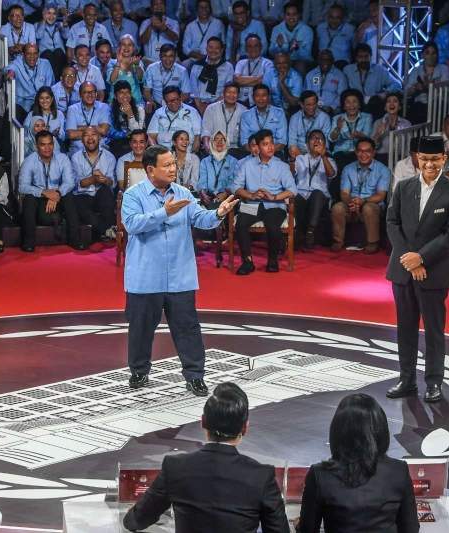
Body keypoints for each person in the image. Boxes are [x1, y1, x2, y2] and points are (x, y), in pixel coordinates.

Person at [121, 144, 238, 394]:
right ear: (151, 170)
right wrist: (164, 212)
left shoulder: (183, 192)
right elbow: (132, 225)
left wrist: (218, 213)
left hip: (180, 276)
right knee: (140, 329)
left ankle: (194, 375)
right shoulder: (133, 195)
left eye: (174, 164)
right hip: (145, 277)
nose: (173, 168)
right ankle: (139, 372)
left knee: (188, 328)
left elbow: (200, 219)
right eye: (167, 165)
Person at [123, 382, 289, 532]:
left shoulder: (175, 467)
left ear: (203, 422)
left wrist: (133, 513)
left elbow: (135, 521)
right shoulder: (261, 476)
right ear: (244, 428)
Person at [385, 135, 449, 403]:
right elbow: (392, 222)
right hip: (403, 271)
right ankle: (406, 379)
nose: (429, 164)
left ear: (444, 159)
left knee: (434, 330)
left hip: (434, 270)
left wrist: (420, 258)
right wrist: (409, 259)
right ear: (417, 159)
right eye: (424, 159)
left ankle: (434, 383)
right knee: (404, 328)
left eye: (434, 159)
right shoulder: (404, 187)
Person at [297, 393, 419, 533]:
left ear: (338, 431)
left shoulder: (319, 475)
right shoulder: (399, 470)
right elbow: (411, 528)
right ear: (380, 429)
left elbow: (308, 529)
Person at [233, 129, 296, 274]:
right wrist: (251, 194)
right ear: (258, 147)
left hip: (275, 205)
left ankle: (272, 260)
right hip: (252, 205)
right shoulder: (247, 165)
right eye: (265, 144)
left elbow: (292, 189)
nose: (270, 147)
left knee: (272, 225)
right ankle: (247, 262)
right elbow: (235, 187)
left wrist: (274, 197)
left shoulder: (281, 166)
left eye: (272, 143)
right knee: (241, 223)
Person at [17, 129, 80, 251]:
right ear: (37, 146)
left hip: (58, 199)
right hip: (40, 201)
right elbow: (22, 187)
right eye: (43, 144)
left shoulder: (63, 158)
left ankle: (75, 239)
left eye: (50, 144)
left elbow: (70, 182)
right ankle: (29, 242)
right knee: (29, 199)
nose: (47, 148)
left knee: (69, 196)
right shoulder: (29, 161)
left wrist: (57, 193)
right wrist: (44, 193)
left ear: (54, 144)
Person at [331, 137, 390, 254]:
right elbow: (344, 193)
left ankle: (372, 243)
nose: (363, 154)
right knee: (337, 207)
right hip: (352, 203)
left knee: (369, 208)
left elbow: (381, 195)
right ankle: (338, 241)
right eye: (360, 151)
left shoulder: (383, 170)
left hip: (372, 204)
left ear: (373, 153)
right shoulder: (348, 169)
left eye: (367, 151)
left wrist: (363, 201)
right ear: (356, 152)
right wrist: (351, 202)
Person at [70, 127, 117, 244]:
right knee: (77, 202)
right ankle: (106, 230)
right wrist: (93, 179)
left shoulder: (109, 156)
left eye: (93, 135)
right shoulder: (75, 157)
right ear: (82, 139)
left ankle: (100, 231)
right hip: (83, 195)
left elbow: (113, 183)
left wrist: (105, 179)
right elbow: (77, 184)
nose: (90, 138)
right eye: (86, 135)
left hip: (101, 193)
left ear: (99, 137)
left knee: (107, 192)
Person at [294, 130, 336, 250]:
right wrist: (292, 160)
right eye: (313, 138)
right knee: (295, 196)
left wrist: (323, 156)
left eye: (320, 138)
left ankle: (310, 232)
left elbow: (331, 174)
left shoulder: (329, 160)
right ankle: (296, 233)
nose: (317, 141)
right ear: (307, 144)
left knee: (317, 193)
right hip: (301, 194)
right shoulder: (300, 159)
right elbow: (291, 174)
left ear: (325, 143)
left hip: (320, 197)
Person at [5, 43, 55, 122]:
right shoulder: (18, 62)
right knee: (12, 113)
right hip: (21, 103)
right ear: (23, 54)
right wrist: (11, 72)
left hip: (39, 102)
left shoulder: (45, 64)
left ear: (38, 54)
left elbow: (50, 86)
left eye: (35, 53)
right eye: (29, 54)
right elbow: (8, 69)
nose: (32, 57)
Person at [404, 42, 449, 123]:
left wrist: (429, 87)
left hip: (437, 105)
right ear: (422, 55)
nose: (431, 56)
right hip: (419, 105)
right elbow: (406, 92)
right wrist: (415, 88)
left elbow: (446, 91)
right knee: (416, 108)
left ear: (437, 55)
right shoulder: (416, 70)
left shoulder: (444, 69)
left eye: (433, 53)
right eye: (427, 53)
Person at [328, 89, 373, 170]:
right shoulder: (337, 118)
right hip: (340, 152)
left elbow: (369, 139)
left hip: (359, 152)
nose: (351, 105)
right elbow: (331, 139)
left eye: (354, 101)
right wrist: (338, 128)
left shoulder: (367, 117)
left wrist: (360, 136)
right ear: (344, 106)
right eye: (348, 102)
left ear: (359, 104)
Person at [189, 37, 234, 116]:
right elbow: (193, 90)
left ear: (221, 50)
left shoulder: (228, 67)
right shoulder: (197, 65)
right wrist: (200, 107)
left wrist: (212, 107)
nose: (213, 51)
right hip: (198, 105)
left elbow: (227, 91)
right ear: (206, 49)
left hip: (219, 105)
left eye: (217, 48)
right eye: (211, 47)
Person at [147, 86, 201, 152]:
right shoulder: (158, 113)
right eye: (168, 101)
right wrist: (157, 153)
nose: (173, 103)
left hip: (186, 152)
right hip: (164, 154)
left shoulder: (192, 112)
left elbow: (197, 137)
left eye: (175, 99)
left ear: (180, 97)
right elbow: (151, 137)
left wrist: (192, 154)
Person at [239, 84, 287, 155]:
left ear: (269, 97)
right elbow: (244, 142)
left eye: (264, 95)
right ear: (253, 97)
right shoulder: (246, 115)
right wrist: (256, 152)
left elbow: (282, 142)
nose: (261, 99)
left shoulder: (279, 113)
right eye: (257, 96)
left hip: (274, 153)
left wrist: (266, 152)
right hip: (252, 153)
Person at [66, 81, 112, 153]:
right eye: (86, 92)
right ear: (80, 95)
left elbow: (103, 131)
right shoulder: (72, 109)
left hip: (100, 149)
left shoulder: (104, 107)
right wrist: (96, 131)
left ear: (96, 94)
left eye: (92, 92)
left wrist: (81, 128)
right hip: (78, 150)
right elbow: (71, 134)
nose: (90, 95)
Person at [143, 43, 191, 111]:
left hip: (176, 105)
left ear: (175, 57)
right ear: (160, 56)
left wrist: (174, 104)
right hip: (157, 105)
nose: (167, 59)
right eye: (164, 56)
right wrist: (150, 101)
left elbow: (186, 93)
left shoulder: (182, 71)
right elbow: (147, 91)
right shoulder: (151, 68)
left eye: (171, 56)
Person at [201, 83, 246, 155]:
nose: (231, 95)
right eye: (229, 92)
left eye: (234, 93)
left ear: (238, 95)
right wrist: (207, 146)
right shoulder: (211, 109)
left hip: (235, 149)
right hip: (214, 147)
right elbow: (206, 131)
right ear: (223, 93)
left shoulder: (244, 111)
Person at [288, 90, 332, 160]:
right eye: (308, 105)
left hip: (318, 152)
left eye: (314, 104)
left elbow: (325, 142)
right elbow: (292, 141)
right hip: (299, 153)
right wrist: (303, 159)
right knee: (292, 149)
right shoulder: (294, 118)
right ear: (301, 104)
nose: (312, 107)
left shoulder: (324, 117)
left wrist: (315, 155)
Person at [304, 50, 348, 118]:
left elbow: (342, 95)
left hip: (333, 109)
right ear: (318, 60)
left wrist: (331, 107)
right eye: (322, 59)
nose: (325, 62)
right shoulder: (310, 75)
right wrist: (314, 106)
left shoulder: (340, 75)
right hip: (313, 108)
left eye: (328, 60)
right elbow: (307, 94)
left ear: (333, 61)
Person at [197, 130, 236, 206]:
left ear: (227, 143)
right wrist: (203, 193)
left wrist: (225, 194)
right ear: (211, 142)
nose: (219, 142)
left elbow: (233, 182)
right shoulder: (205, 161)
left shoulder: (233, 161)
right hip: (208, 196)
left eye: (222, 139)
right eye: (216, 139)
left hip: (227, 197)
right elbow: (202, 182)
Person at [181, 0, 224, 68]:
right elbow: (185, 48)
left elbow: (223, 44)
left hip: (214, 58)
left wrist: (212, 56)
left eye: (206, 7)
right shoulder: (190, 26)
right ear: (197, 9)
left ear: (210, 8)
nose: (204, 9)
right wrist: (199, 56)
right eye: (201, 7)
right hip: (194, 58)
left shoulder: (218, 24)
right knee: (184, 64)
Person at [269, 2, 313, 68]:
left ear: (299, 15)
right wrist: (279, 46)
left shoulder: (307, 30)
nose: (291, 18)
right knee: (271, 64)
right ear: (284, 15)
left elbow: (307, 56)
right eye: (288, 14)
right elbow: (271, 52)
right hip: (281, 61)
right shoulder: (277, 29)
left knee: (301, 65)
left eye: (294, 14)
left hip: (299, 61)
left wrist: (297, 48)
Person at [233, 34, 271, 107]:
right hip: (240, 100)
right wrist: (257, 79)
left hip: (259, 101)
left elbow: (264, 82)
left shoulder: (268, 63)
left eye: (256, 46)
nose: (252, 48)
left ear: (261, 47)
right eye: (249, 46)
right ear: (246, 48)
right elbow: (237, 80)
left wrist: (243, 80)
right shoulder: (241, 63)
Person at [109, 80, 144, 158]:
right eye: (121, 92)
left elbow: (138, 133)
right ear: (115, 96)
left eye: (127, 92)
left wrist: (130, 114)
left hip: (135, 143)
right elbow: (110, 131)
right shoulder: (109, 110)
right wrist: (125, 134)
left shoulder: (140, 110)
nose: (125, 95)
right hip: (116, 144)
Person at [138, 0, 180, 66]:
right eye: (156, 4)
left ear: (165, 7)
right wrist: (151, 25)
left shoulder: (173, 22)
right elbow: (143, 41)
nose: (159, 6)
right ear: (151, 7)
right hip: (149, 61)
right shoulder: (145, 23)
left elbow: (176, 38)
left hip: (170, 61)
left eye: (161, 4)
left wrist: (165, 28)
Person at [371, 93, 411, 160]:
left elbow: (408, 147)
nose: (391, 104)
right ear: (385, 107)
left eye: (395, 101)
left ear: (399, 107)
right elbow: (372, 146)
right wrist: (378, 134)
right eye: (388, 101)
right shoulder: (378, 123)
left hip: (400, 158)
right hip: (381, 157)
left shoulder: (406, 123)